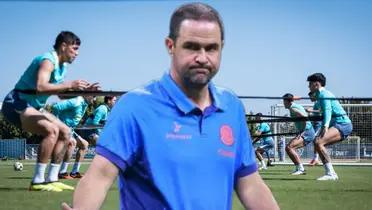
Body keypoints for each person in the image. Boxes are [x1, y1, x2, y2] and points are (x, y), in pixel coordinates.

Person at [62, 3, 279, 210]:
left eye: (211, 48)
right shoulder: (136, 106)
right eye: (192, 47)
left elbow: (249, 183)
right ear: (171, 46)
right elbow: (100, 176)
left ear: (221, 48)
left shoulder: (231, 106)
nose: (202, 58)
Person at [1, 31, 99, 192]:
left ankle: (52, 178)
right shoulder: (48, 60)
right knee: (51, 130)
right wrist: (70, 84)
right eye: (74, 49)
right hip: (16, 103)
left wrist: (84, 91)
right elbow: (41, 87)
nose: (77, 53)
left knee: (66, 132)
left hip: (33, 107)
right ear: (63, 46)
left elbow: (60, 95)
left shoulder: (62, 66)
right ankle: (38, 181)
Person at [307, 73, 353, 181]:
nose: (308, 86)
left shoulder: (324, 94)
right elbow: (319, 112)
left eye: (310, 84)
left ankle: (331, 174)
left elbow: (327, 111)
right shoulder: (319, 97)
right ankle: (330, 173)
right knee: (317, 142)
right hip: (339, 124)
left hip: (343, 124)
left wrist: (325, 126)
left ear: (316, 84)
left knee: (319, 142)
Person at [52, 96, 94, 179]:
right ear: (88, 95)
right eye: (93, 96)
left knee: (84, 145)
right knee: (72, 143)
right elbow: (56, 107)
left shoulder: (84, 104)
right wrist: (57, 123)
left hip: (70, 130)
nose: (95, 99)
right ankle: (62, 172)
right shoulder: (76, 101)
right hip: (62, 128)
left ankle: (74, 172)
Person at [283, 93, 315, 175]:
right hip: (306, 131)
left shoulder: (293, 108)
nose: (283, 103)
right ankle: (298, 168)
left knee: (290, 147)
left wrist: (302, 131)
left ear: (288, 102)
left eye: (284, 101)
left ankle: (301, 169)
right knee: (289, 148)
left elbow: (304, 118)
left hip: (307, 131)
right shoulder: (293, 106)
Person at [306, 91, 321, 166]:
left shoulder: (319, 102)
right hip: (315, 124)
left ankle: (316, 159)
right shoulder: (316, 103)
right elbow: (316, 113)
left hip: (319, 124)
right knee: (315, 141)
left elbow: (320, 111)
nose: (310, 98)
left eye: (311, 97)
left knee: (316, 140)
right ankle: (316, 159)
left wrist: (310, 110)